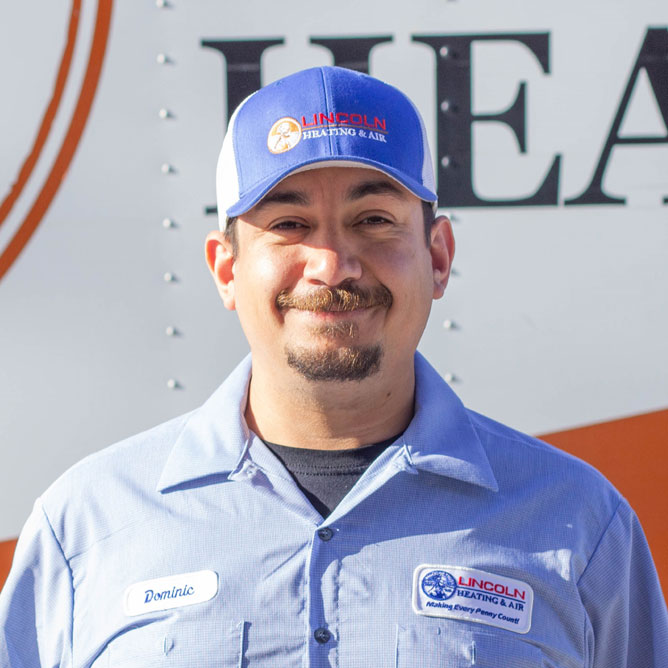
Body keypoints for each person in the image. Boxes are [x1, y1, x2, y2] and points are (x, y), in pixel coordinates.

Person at [0, 66, 666, 667]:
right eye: (289, 224)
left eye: (373, 219)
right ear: (226, 268)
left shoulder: (578, 522)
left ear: (438, 257)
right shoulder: (86, 526)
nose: (332, 265)